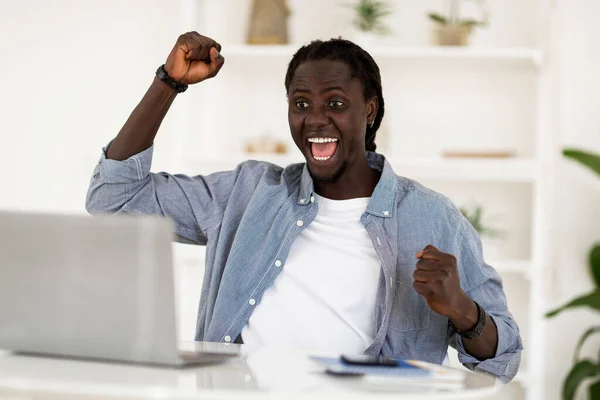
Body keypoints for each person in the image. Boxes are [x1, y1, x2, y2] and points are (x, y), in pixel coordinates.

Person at [86, 31, 522, 382]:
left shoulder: (433, 217)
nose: (314, 119)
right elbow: (115, 198)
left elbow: (502, 360)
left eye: (334, 103)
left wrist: (464, 311)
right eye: (301, 104)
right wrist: (169, 82)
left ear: (368, 110)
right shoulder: (248, 192)